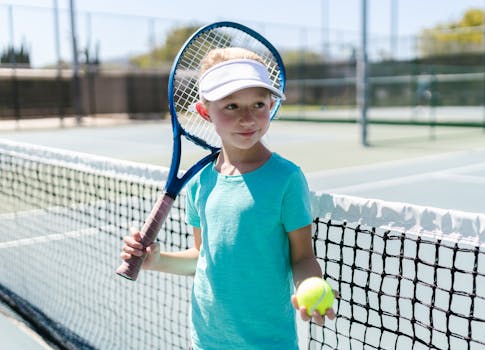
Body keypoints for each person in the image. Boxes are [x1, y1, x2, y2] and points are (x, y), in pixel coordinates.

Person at [120, 47, 336, 350]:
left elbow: (302, 257)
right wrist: (156, 260)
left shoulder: (286, 179)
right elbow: (202, 257)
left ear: (271, 105)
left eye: (258, 104)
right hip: (208, 338)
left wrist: (307, 288)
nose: (248, 118)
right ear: (205, 112)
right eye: (231, 106)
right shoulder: (200, 184)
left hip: (268, 342)